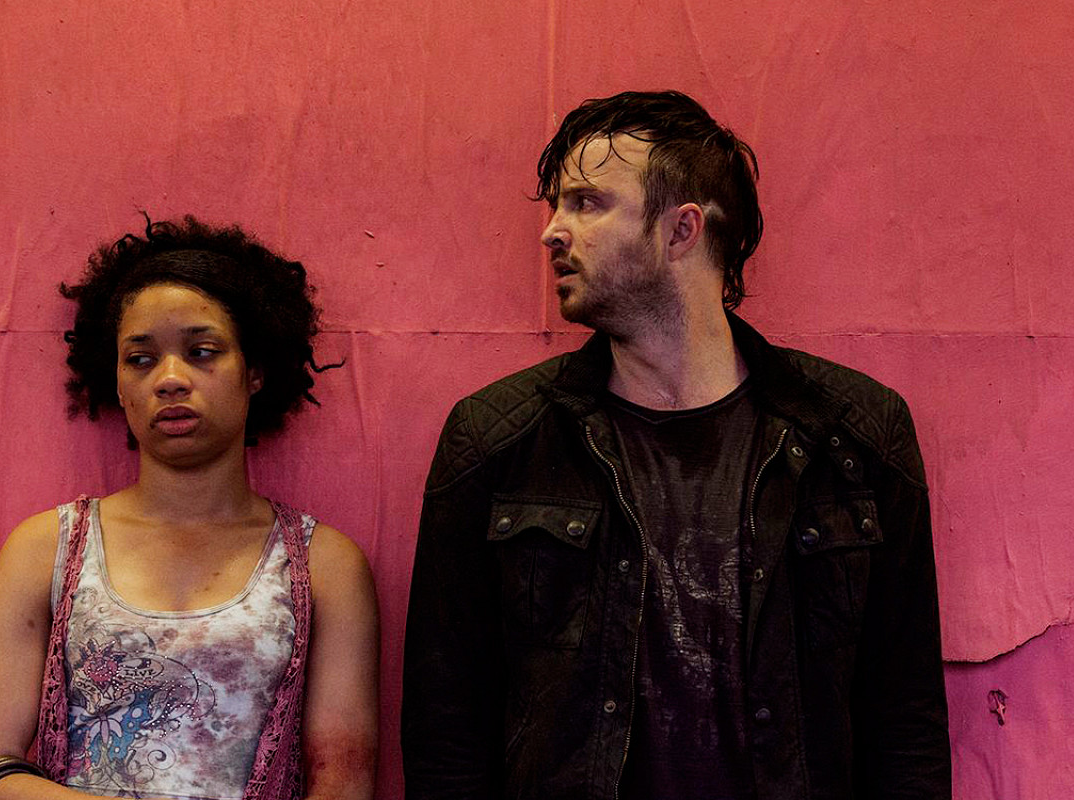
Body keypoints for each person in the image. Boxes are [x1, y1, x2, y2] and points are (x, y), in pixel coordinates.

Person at [402, 90, 950, 799]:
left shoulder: (856, 437)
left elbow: (904, 720)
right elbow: (447, 729)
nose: (552, 233)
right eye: (557, 205)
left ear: (681, 229)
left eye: (586, 203)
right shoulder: (496, 440)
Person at [0, 216, 379, 800]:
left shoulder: (324, 565)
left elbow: (343, 782)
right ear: (116, 381)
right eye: (141, 359)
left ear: (255, 372)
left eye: (203, 352)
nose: (170, 379)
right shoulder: (46, 548)